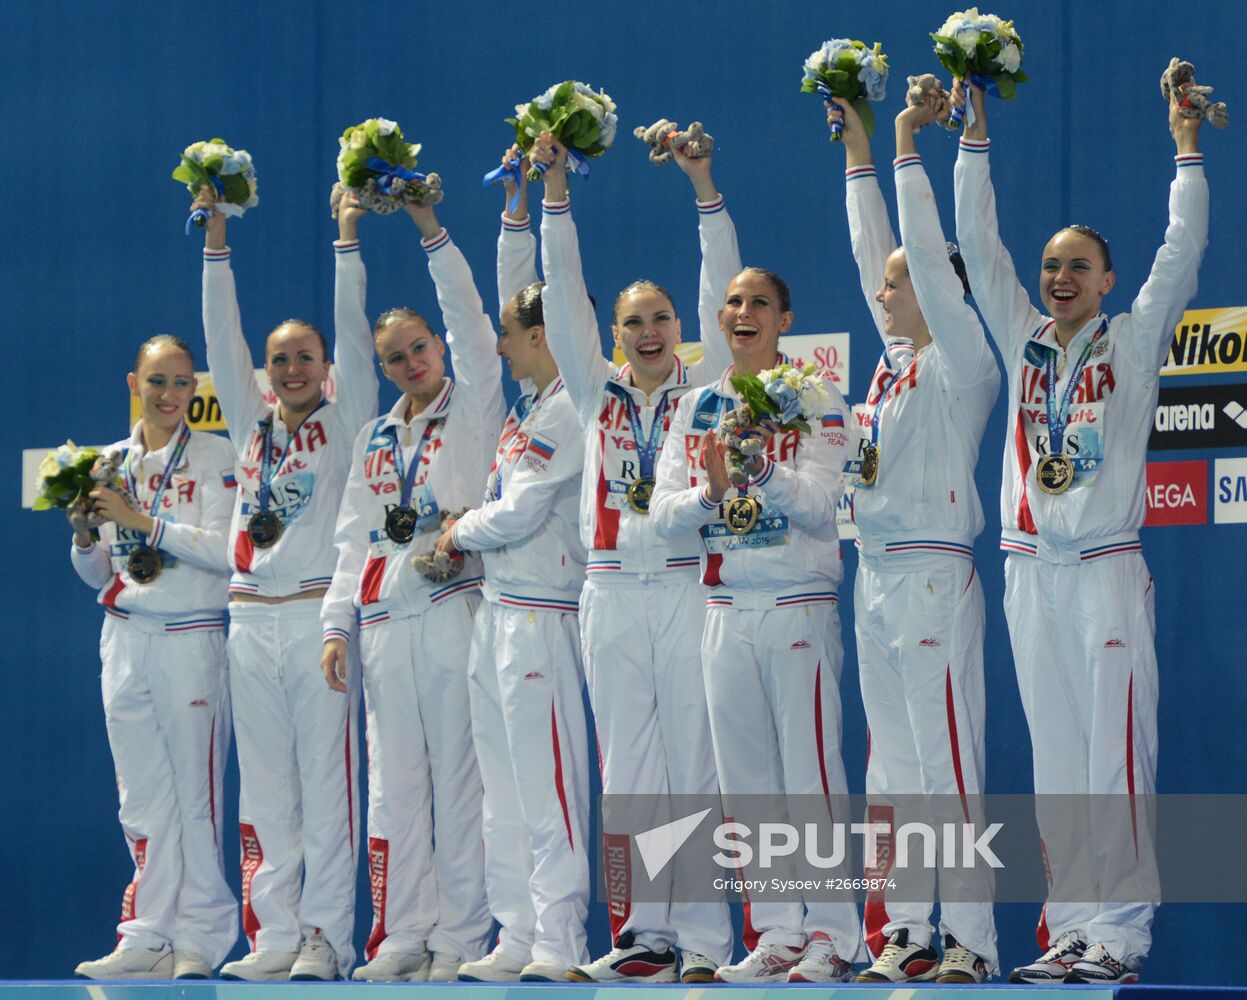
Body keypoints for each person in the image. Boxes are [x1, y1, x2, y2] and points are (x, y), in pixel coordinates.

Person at [953, 78, 1208, 985]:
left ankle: (1120, 935)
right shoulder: (1021, 336)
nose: (1059, 277)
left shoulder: (1130, 342)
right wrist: (972, 135)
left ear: (1106, 281)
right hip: (1029, 572)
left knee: (1113, 760)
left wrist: (1185, 150)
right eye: (1050, 265)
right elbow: (977, 243)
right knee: (1057, 760)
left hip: (1102, 570)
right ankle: (1069, 928)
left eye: (1078, 267)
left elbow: (1182, 250)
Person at [527, 129, 736, 984]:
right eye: (633, 323)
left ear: (681, 329)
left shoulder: (705, 392)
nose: (648, 332)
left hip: (685, 588)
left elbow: (723, 284)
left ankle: (707, 940)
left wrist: (703, 190)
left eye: (660, 320)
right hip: (609, 592)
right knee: (631, 767)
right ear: (611, 335)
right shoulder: (593, 390)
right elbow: (560, 291)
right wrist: (554, 192)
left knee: (694, 762)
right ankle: (646, 933)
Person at [830, 86, 1000, 984]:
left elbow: (918, 259)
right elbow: (872, 250)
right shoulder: (894, 367)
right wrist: (859, 147)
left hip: (933, 575)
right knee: (892, 768)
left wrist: (905, 144)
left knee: (946, 763)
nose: (883, 291)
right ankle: (904, 932)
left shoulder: (962, 365)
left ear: (938, 288)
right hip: (874, 576)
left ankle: (969, 936)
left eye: (900, 283)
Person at [650, 265, 859, 983]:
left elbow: (824, 505)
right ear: (720, 319)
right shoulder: (697, 405)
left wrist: (764, 471)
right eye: (734, 302)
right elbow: (662, 516)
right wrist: (710, 493)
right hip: (723, 608)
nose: (744, 313)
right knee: (746, 785)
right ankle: (776, 932)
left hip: (797, 602)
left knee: (809, 777)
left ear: (784, 320)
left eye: (760, 303)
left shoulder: (814, 394)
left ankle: (833, 935)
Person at [319, 189, 505, 981]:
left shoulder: (477, 406)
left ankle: (460, 937)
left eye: (419, 347)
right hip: (384, 626)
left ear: (439, 344)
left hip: (453, 608)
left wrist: (430, 229)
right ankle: (401, 933)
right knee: (392, 784)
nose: (410, 363)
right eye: (393, 358)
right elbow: (351, 538)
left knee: (459, 781)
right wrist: (336, 624)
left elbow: (470, 317)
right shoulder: (373, 434)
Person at [195, 187, 378, 980]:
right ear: (265, 373)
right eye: (280, 360)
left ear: (327, 369)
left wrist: (346, 233)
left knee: (327, 784)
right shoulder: (250, 425)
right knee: (265, 786)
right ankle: (272, 935)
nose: (293, 369)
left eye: (306, 357)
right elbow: (220, 333)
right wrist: (216, 239)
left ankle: (325, 937)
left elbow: (353, 329)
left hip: (314, 618)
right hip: (247, 618)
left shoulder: (349, 421)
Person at [434, 261, 590, 983]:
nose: (498, 347)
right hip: (497, 610)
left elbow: (522, 512)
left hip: (542, 615)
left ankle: (561, 939)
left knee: (546, 783)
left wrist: (457, 532)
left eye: (507, 333)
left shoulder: (569, 407)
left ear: (542, 334)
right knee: (501, 790)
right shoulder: (525, 410)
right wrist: (468, 527)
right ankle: (518, 932)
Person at [70, 336, 238, 980]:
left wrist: (145, 523)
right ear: (133, 383)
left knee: (197, 794)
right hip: (124, 636)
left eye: (181, 383)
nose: (170, 395)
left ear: (195, 388)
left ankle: (201, 934)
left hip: (189, 636)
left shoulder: (218, 455)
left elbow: (227, 551)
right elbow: (97, 573)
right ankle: (148, 932)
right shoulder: (106, 464)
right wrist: (85, 536)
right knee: (140, 797)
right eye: (157, 382)